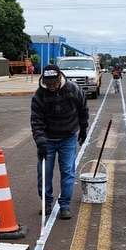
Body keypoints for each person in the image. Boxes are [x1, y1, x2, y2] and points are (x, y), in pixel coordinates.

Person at [30, 64, 89, 220]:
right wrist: (41, 142)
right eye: (49, 83)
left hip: (68, 137)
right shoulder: (39, 96)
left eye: (54, 83)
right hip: (48, 139)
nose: (52, 86)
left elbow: (83, 109)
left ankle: (65, 205)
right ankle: (46, 203)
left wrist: (83, 129)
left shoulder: (73, 89)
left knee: (68, 172)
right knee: (44, 173)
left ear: (60, 78)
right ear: (44, 80)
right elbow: (36, 122)